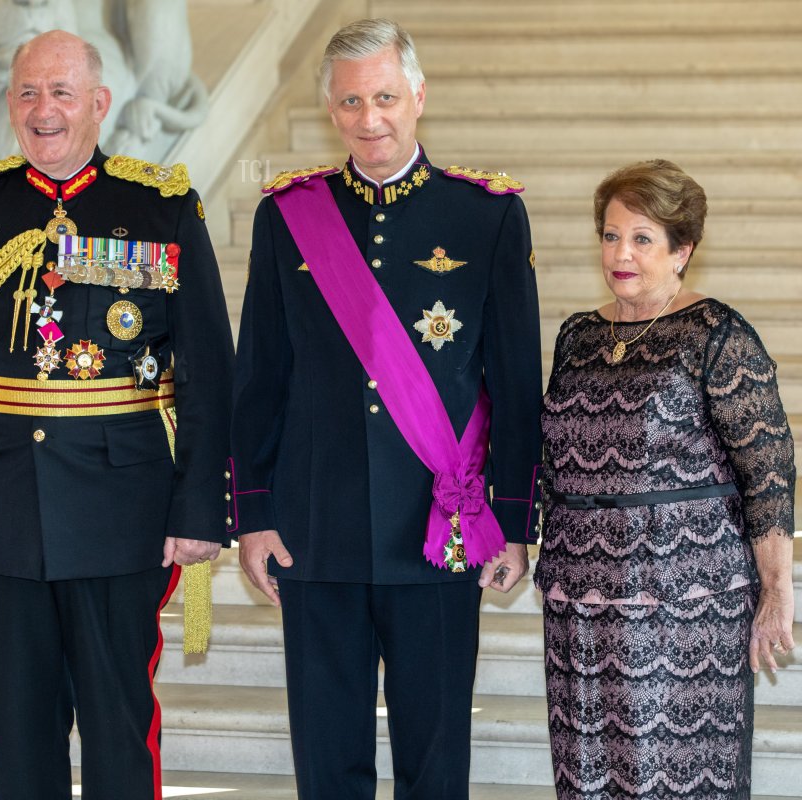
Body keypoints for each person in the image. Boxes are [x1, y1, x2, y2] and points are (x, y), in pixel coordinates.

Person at [0, 29, 233, 799]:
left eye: (60, 93)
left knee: (119, 730)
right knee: (17, 737)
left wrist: (199, 507)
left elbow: (209, 372)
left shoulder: (160, 205)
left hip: (124, 506)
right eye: (27, 92)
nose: (42, 110)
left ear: (99, 104)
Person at [228, 18, 542, 799]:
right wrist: (255, 514)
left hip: (437, 534)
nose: (370, 120)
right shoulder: (287, 215)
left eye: (386, 99)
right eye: (351, 103)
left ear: (419, 96)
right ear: (330, 110)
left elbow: (513, 379)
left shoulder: (487, 215)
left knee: (435, 763)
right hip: (314, 530)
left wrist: (511, 518)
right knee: (326, 760)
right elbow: (259, 377)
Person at [536, 159, 796, 799]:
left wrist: (775, 589)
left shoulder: (716, 335)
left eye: (642, 238)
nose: (621, 252)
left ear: (683, 251)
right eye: (610, 234)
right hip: (580, 603)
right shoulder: (579, 335)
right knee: (588, 773)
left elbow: (767, 470)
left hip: (684, 605)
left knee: (673, 779)